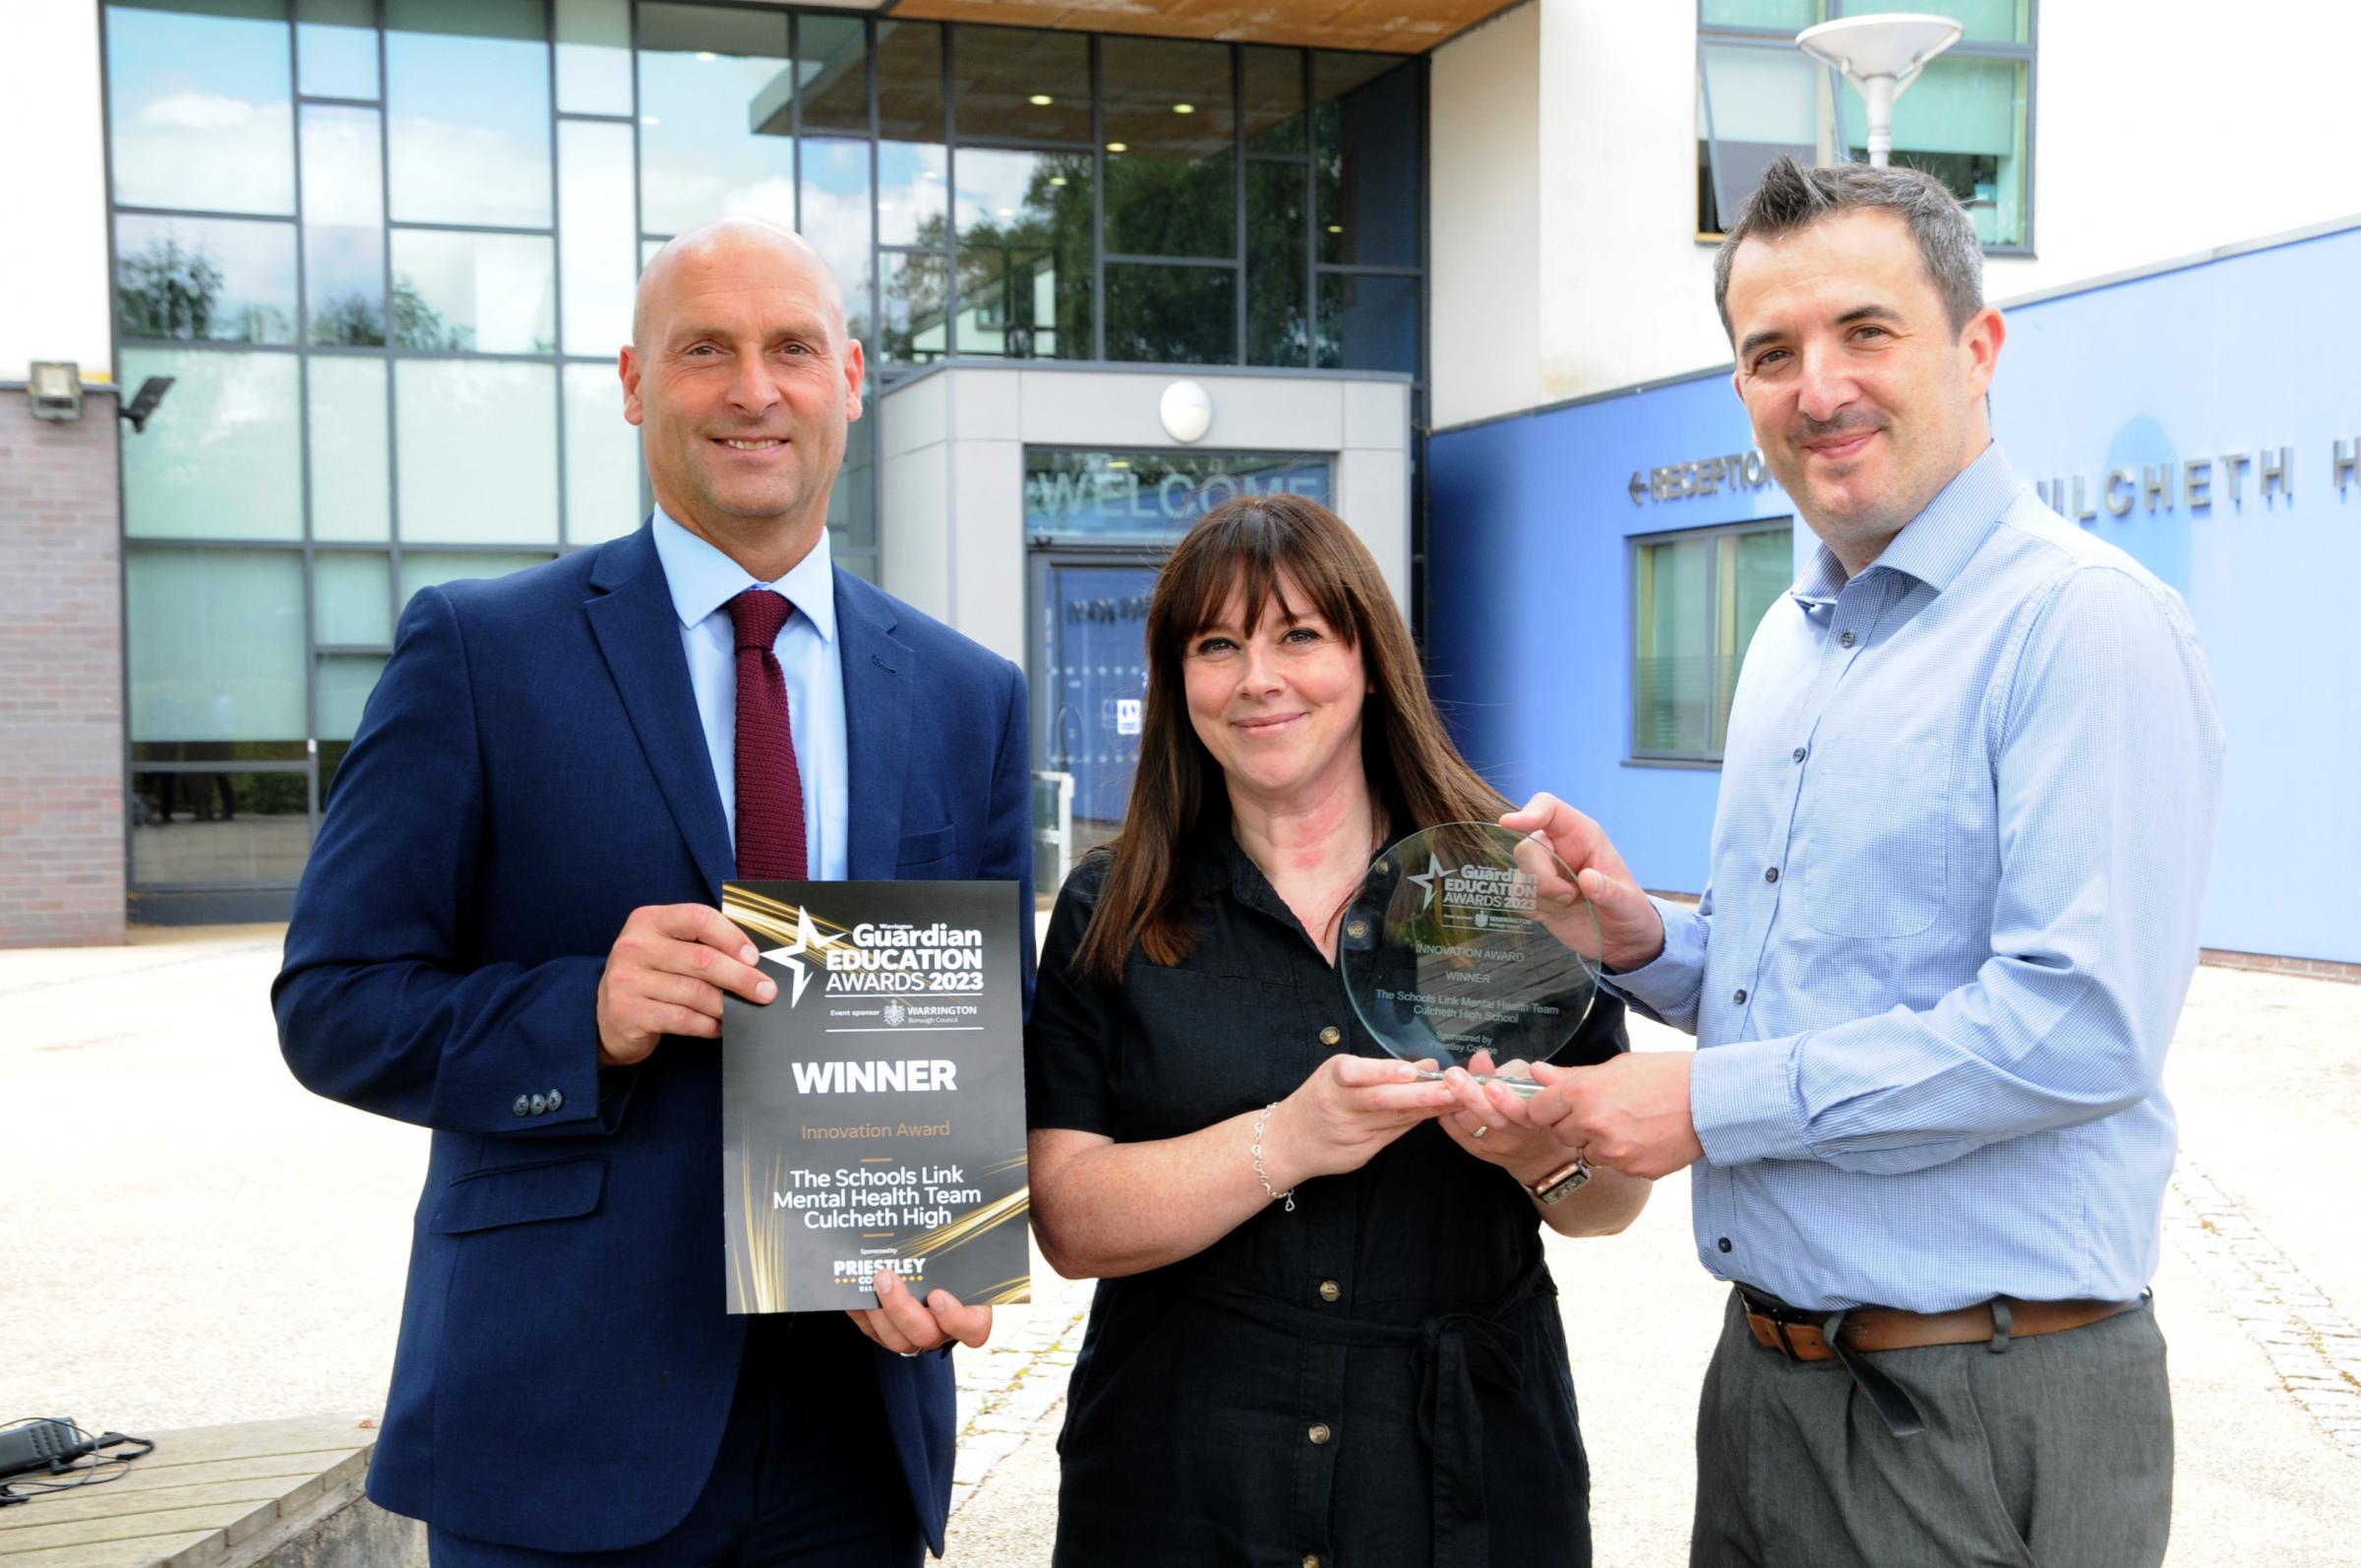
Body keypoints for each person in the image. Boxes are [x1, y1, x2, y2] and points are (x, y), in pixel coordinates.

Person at [273, 218, 1031, 1566]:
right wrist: (585, 1014)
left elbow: (988, 1035)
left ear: (850, 377)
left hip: (850, 1432)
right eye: (706, 351)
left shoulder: (968, 695)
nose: (754, 390)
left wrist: (950, 1250)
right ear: (634, 382)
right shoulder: (479, 650)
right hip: (560, 1421)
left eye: (792, 347)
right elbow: (333, 1000)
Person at [1507, 156, 2226, 1568]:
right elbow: (1817, 969)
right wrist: (1641, 939)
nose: (1816, 386)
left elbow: (2075, 1028)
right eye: (1770, 352)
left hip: (1980, 1397)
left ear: (1978, 345)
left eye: (1864, 332)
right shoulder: (1795, 637)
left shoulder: (2081, 626)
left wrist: (1708, 1103)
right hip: (1769, 1383)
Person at [1025, 493, 1649, 1568]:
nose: (1257, 678)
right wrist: (1287, 1141)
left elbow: (1611, 1203)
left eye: (1298, 635)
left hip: (1462, 1478)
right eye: (1217, 645)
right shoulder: (1113, 908)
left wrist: (1532, 1154)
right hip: (1185, 1474)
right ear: (1181, 683)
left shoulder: (1496, 886)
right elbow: (1071, 1223)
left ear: (1369, 661)